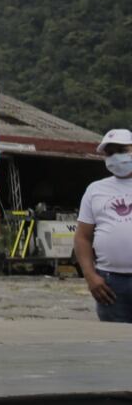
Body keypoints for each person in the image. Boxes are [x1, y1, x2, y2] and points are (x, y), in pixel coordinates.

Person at [75, 129, 132, 323]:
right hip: (110, 284)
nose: (116, 157)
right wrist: (90, 276)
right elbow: (82, 236)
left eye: (122, 150)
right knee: (114, 347)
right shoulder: (95, 190)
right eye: (110, 153)